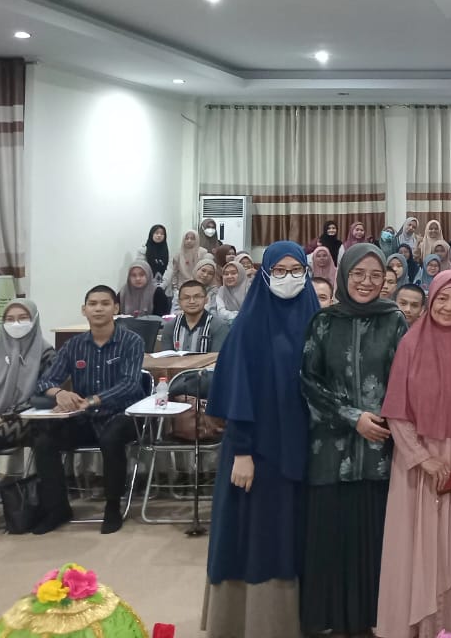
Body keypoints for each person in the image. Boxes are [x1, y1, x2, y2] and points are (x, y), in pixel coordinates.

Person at [204, 241, 319, 638]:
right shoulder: (249, 327)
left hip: (303, 449)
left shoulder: (316, 321)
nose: (289, 278)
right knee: (256, 533)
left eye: (296, 270)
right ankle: (253, 623)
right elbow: (237, 389)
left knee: (295, 531)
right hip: (257, 452)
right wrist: (241, 451)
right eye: (280, 271)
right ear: (265, 274)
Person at [377, 271, 451, 638]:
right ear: (430, 301)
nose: (449, 306)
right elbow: (396, 411)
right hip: (418, 466)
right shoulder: (410, 345)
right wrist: (422, 458)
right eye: (442, 298)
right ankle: (421, 628)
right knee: (420, 549)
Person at [300, 243, 408, 637]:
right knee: (331, 536)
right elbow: (308, 381)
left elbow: (405, 379)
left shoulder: (394, 320)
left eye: (375, 275)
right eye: (358, 274)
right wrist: (352, 417)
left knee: (373, 538)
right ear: (344, 275)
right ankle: (329, 619)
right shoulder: (323, 322)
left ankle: (370, 618)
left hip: (379, 451)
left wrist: (384, 417)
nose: (366, 282)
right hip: (330, 452)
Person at [31, 286, 143, 534]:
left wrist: (93, 400)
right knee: (44, 441)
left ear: (116, 308)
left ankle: (112, 506)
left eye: (105, 303)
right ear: (84, 310)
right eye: (92, 304)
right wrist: (60, 393)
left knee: (111, 438)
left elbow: (131, 384)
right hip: (85, 418)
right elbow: (45, 382)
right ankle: (57, 508)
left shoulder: (132, 341)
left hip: (122, 415)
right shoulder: (74, 346)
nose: (98, 308)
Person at [0, 299, 56, 538]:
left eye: (23, 318)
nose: (16, 324)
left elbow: (40, 397)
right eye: (10, 319)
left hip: (29, 418)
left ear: (34, 320)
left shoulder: (46, 353)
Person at [159, 281, 230, 353]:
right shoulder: (170, 326)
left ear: (206, 300)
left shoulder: (219, 326)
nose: (192, 301)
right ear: (179, 302)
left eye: (197, 297)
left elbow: (217, 357)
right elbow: (167, 356)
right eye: (186, 298)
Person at [166, 229, 203, 293]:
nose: (189, 241)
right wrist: (175, 288)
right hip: (181, 287)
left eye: (192, 238)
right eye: (187, 238)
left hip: (199, 286)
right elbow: (174, 272)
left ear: (197, 239)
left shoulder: (202, 253)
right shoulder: (178, 254)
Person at [212, 260, 249, 324]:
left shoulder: (250, 289)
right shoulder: (222, 290)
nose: (229, 276)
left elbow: (252, 311)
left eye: (233, 273)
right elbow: (221, 312)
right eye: (226, 274)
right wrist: (238, 315)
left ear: (241, 274)